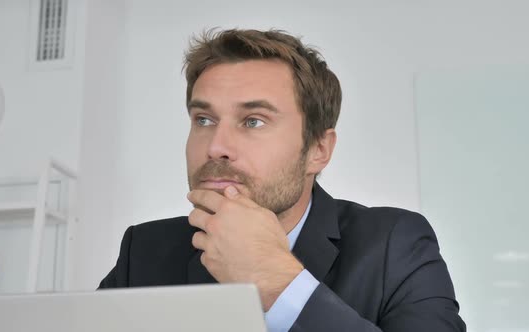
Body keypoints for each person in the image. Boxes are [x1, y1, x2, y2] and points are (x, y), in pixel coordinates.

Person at [99, 28, 466, 331]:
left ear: (318, 149)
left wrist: (278, 282)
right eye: (204, 120)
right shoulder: (143, 251)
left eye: (253, 121)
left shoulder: (395, 245)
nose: (216, 147)